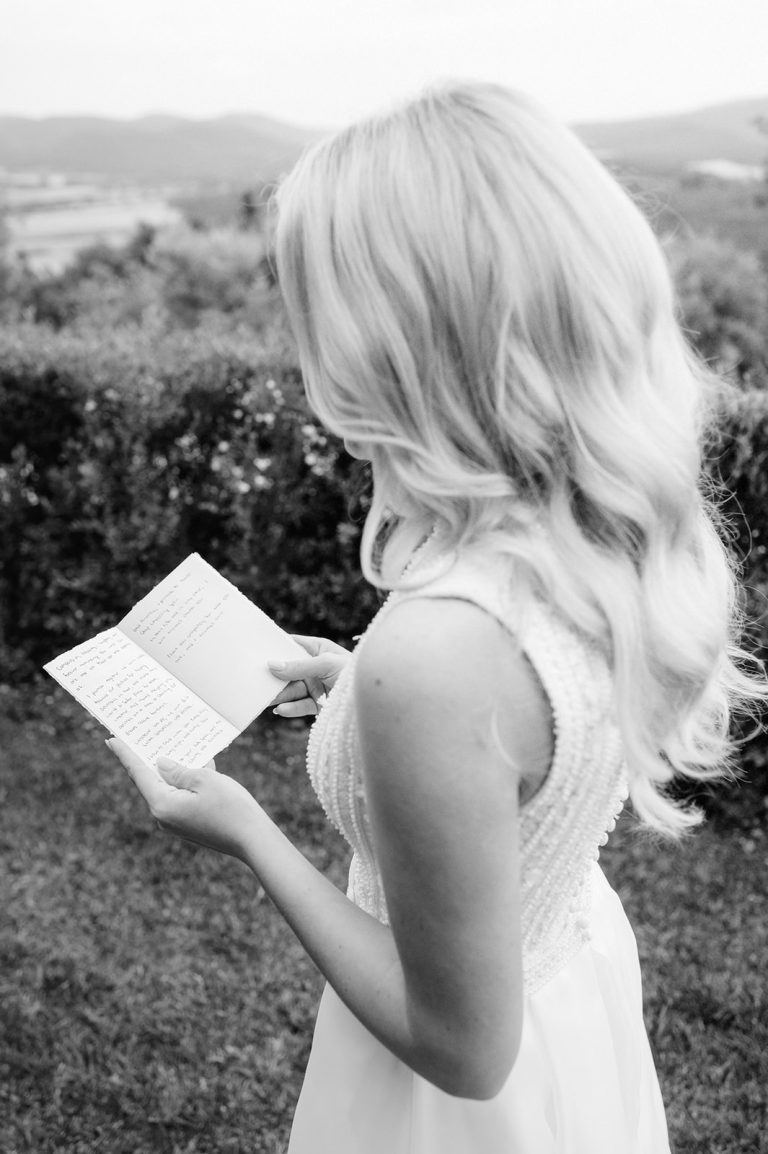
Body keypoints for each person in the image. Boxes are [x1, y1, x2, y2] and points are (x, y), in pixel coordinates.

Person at [107, 81, 767, 1152]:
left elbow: (460, 1046)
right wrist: (357, 685)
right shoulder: (598, 531)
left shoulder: (440, 654)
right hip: (569, 997)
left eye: (317, 309)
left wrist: (247, 833)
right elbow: (527, 747)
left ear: (402, 335)